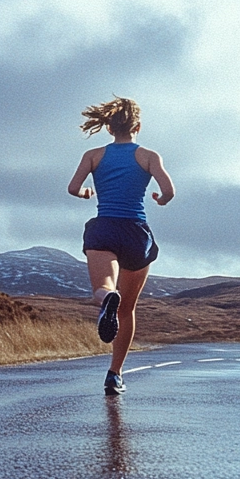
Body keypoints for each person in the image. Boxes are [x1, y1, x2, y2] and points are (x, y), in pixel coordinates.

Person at [66, 97, 175, 395]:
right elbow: (168, 191)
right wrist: (160, 200)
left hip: (104, 229)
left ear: (109, 127)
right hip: (135, 233)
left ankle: (105, 299)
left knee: (103, 289)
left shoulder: (93, 155)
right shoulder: (149, 156)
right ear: (137, 126)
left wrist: (88, 192)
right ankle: (115, 374)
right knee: (127, 309)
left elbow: (73, 188)